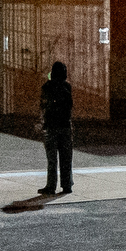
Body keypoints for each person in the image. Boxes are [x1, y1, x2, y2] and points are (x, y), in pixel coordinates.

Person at [39, 59, 75, 194]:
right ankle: (67, 185)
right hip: (66, 126)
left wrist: (42, 122)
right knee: (66, 157)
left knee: (52, 159)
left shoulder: (47, 87)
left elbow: (43, 106)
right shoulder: (67, 87)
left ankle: (51, 186)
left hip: (51, 126)